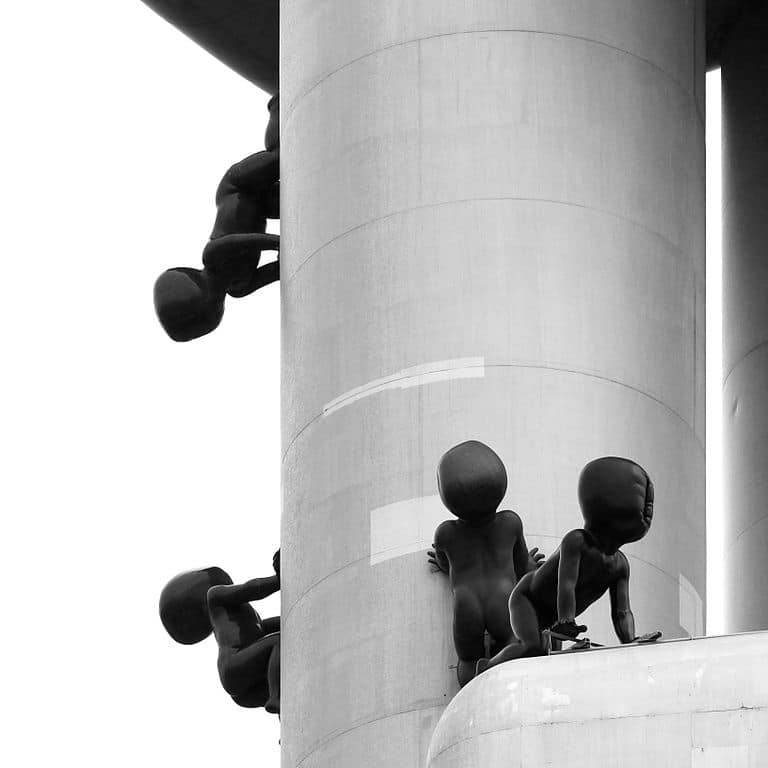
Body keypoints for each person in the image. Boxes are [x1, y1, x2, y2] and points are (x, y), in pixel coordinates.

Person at [476, 457, 659, 675]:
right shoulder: (577, 541)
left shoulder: (620, 565)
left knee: (550, 662)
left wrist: (629, 641)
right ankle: (486, 668)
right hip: (528, 599)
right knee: (532, 646)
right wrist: (566, 619)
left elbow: (622, 611)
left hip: (556, 614)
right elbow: (567, 584)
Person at [154, 95, 280, 341]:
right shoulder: (240, 288)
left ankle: (279, 105)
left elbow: (243, 241)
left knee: (280, 155)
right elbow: (280, 270)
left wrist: (277, 242)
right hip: (263, 206)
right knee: (305, 194)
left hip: (238, 186)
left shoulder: (213, 256)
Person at [428, 440, 543, 685]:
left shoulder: (445, 534)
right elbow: (524, 565)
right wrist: (532, 565)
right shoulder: (510, 523)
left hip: (465, 602)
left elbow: (444, 563)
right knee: (514, 643)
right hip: (503, 598)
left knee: (467, 658)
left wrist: (444, 566)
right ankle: (503, 675)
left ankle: (469, 690)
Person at [159, 550, 281, 713]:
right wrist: (280, 578)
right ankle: (275, 698)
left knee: (284, 685)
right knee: (280, 642)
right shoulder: (215, 596)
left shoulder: (249, 618)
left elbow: (269, 625)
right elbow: (252, 588)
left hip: (238, 679)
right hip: (234, 663)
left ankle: (283, 715)